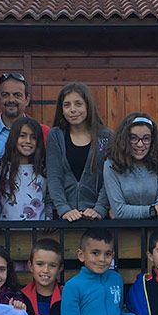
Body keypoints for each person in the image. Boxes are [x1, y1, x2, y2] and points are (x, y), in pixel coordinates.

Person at [46, 83, 112, 221]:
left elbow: (110, 179)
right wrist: (64, 209)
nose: (72, 110)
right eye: (67, 105)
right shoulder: (55, 135)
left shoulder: (106, 136)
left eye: (78, 104)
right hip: (64, 217)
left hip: (96, 216)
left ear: (88, 105)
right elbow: (54, 176)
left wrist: (99, 208)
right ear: (61, 109)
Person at [61, 229, 142, 315]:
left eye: (107, 254)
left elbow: (119, 309)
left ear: (112, 255)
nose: (102, 259)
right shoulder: (72, 286)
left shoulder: (116, 279)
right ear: (81, 255)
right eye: (95, 253)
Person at [102, 113, 158, 219]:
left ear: (153, 140)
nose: (140, 144)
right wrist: (154, 210)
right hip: (123, 231)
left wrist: (127, 211)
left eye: (146, 138)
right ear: (124, 139)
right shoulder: (111, 164)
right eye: (133, 138)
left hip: (157, 230)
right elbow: (119, 211)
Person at [0, 72, 51, 165]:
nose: (11, 100)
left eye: (17, 95)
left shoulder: (44, 132)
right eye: (5, 95)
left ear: (27, 100)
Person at [0, 117, 50, 221]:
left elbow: (49, 201)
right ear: (13, 138)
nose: (28, 141)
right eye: (22, 136)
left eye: (33, 137)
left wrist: (48, 220)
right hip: (6, 233)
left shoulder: (44, 170)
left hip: (38, 233)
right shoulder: (0, 169)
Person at [21, 238, 64, 315]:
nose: (45, 270)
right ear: (30, 266)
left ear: (60, 268)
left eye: (52, 265)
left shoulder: (66, 294)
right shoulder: (20, 296)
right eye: (40, 264)